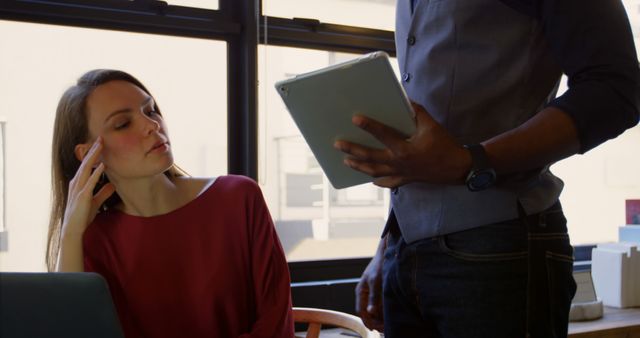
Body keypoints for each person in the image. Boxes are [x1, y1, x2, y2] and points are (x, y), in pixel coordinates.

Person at [334, 1, 640, 337]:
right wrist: (389, 246)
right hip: (405, 253)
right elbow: (422, 143)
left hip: (500, 244)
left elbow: (616, 90)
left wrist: (471, 161)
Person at [46, 69, 295, 338]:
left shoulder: (238, 197)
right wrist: (71, 234)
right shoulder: (93, 239)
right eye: (122, 124)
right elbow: (74, 330)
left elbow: (276, 325)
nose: (152, 125)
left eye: (150, 110)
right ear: (88, 154)